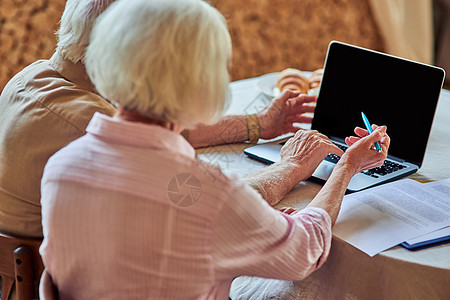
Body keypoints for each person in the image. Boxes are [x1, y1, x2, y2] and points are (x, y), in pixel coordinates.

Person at [39, 0, 390, 298]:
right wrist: (345, 167)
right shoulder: (206, 195)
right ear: (204, 84)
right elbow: (305, 252)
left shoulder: (59, 168)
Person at [0, 0, 315, 239]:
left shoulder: (31, 77)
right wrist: (291, 168)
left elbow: (171, 132)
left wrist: (259, 124)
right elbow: (214, 208)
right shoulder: (92, 122)